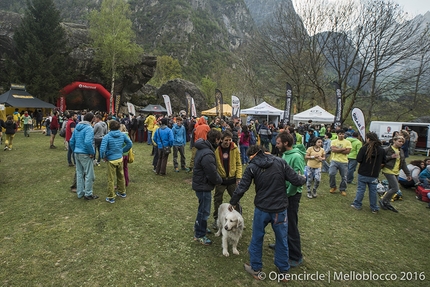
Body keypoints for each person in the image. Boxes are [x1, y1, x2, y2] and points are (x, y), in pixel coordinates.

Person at [228, 145, 306, 279]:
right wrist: (303, 178)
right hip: (279, 209)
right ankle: (283, 272)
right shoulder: (280, 162)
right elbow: (296, 180)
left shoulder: (252, 166)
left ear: (252, 155)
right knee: (282, 239)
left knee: (257, 238)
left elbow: (242, 186)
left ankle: (256, 268)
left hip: (262, 209)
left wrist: (233, 202)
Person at [274, 131, 306, 267]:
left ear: (286, 143)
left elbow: (297, 180)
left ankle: (295, 256)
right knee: (282, 222)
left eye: (278, 143)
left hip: (291, 196)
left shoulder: (296, 157)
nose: (276, 145)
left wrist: (287, 194)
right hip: (283, 194)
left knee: (291, 225)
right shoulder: (285, 155)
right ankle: (281, 244)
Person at [192, 129, 223, 246]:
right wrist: (219, 180)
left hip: (201, 183)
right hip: (203, 185)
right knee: (204, 211)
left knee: (202, 208)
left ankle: (200, 227)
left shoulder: (204, 150)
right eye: (219, 140)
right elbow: (211, 172)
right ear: (216, 139)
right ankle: (200, 234)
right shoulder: (208, 153)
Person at [212, 130, 242, 230]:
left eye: (230, 140)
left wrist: (238, 177)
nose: (228, 142)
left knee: (236, 200)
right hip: (221, 180)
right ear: (221, 140)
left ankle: (238, 219)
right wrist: (216, 178)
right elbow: (214, 165)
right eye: (226, 140)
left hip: (232, 179)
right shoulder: (216, 149)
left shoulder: (235, 148)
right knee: (217, 200)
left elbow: (238, 163)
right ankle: (217, 220)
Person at [351, 132, 386, 213]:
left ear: (368, 139)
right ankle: (374, 207)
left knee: (361, 189)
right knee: (373, 191)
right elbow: (384, 162)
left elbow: (359, 159)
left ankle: (357, 204)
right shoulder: (381, 150)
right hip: (374, 174)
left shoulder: (364, 148)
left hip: (363, 172)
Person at [100, 120, 133, 203]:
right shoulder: (123, 135)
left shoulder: (106, 137)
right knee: (121, 176)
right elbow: (130, 143)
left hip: (111, 160)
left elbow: (102, 149)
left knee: (110, 179)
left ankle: (111, 197)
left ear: (109, 127)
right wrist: (122, 151)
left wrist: (103, 157)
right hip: (119, 158)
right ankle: (122, 192)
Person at [69, 112, 99, 200]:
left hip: (77, 153)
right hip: (85, 153)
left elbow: (71, 141)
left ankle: (80, 192)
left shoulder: (77, 127)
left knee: (79, 173)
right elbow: (88, 142)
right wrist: (91, 152)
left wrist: (75, 149)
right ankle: (88, 193)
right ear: (92, 119)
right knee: (89, 174)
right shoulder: (89, 128)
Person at [379, 135, 411, 213]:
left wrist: (408, 174)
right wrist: (391, 156)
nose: (401, 143)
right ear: (394, 141)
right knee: (395, 188)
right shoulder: (387, 149)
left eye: (402, 142)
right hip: (388, 170)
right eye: (399, 141)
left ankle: (387, 202)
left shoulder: (401, 151)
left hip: (396, 171)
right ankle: (383, 200)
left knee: (391, 188)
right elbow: (381, 159)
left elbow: (403, 163)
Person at [329, 130, 352, 196]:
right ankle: (333, 186)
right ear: (337, 134)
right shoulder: (333, 141)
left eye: (343, 134)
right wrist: (343, 149)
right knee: (331, 173)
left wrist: (337, 150)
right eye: (340, 134)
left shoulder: (348, 142)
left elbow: (348, 151)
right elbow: (333, 150)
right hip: (334, 160)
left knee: (344, 177)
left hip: (344, 161)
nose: (341, 135)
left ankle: (342, 189)